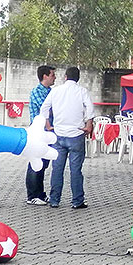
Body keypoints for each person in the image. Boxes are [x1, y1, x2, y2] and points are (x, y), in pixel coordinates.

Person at [40, 66, 94, 209]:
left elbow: (44, 108)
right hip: (76, 134)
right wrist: (89, 124)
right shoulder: (82, 91)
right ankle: (77, 201)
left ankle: (54, 200)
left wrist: (48, 124)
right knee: (76, 170)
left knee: (57, 168)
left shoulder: (56, 91)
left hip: (58, 134)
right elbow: (90, 108)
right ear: (78, 78)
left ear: (65, 77)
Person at [26, 65, 55, 206]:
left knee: (43, 163)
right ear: (45, 76)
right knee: (35, 163)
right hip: (38, 131)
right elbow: (46, 108)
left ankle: (40, 194)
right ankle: (32, 195)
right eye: (52, 75)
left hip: (47, 133)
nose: (54, 78)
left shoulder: (51, 91)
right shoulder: (37, 92)